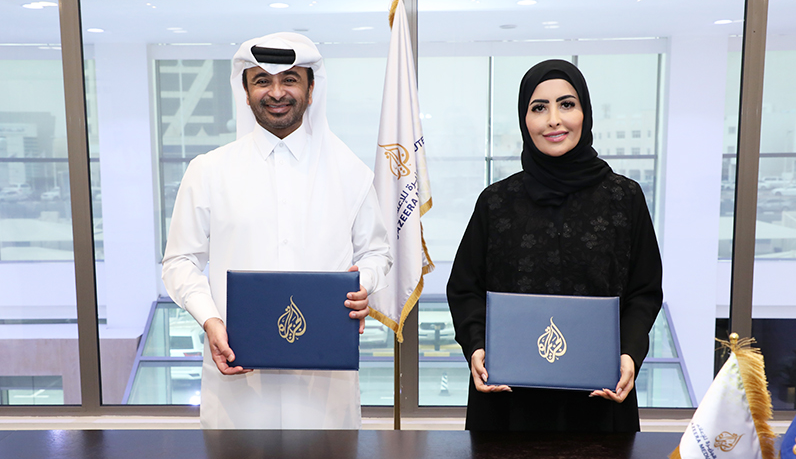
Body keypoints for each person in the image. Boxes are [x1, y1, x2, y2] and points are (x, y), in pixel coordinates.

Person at [162, 33, 392, 429]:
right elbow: (180, 262)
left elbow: (377, 254)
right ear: (246, 91)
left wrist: (363, 285)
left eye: (289, 79)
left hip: (324, 391)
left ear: (311, 87)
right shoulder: (209, 171)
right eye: (262, 81)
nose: (276, 92)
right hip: (237, 382)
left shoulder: (349, 172)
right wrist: (210, 319)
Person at [446, 59, 663, 432]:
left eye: (567, 104)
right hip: (508, 403)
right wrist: (477, 345)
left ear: (585, 113)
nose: (553, 120)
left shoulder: (624, 198)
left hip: (599, 398)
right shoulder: (496, 202)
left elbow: (643, 292)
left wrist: (628, 353)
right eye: (538, 108)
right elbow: (465, 289)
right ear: (524, 119)